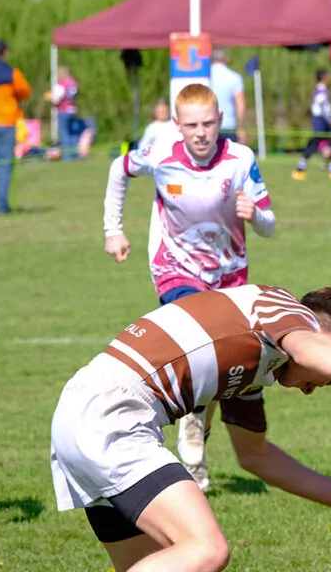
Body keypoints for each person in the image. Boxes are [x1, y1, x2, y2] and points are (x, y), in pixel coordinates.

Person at [50, 284, 331, 572]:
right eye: (327, 380)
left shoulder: (257, 356)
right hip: (114, 416)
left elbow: (255, 455)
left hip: (85, 416)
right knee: (205, 549)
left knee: (157, 562)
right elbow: (309, 345)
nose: (312, 391)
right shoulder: (284, 311)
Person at [102, 83, 277, 492]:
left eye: (209, 124)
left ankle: (196, 422)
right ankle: (186, 435)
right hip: (174, 267)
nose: (201, 133)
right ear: (177, 125)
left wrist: (256, 216)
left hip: (229, 273)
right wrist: (114, 231)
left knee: (218, 357)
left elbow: (269, 224)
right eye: (192, 125)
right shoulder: (160, 153)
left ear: (220, 121)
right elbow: (118, 169)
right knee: (201, 343)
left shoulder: (240, 159)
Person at [0, 39, 30, 215]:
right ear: (4, 53)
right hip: (5, 124)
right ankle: (3, 206)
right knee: (5, 165)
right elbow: (25, 92)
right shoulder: (12, 73)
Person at [293, 69, 331, 181]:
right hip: (321, 122)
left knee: (329, 144)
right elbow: (324, 110)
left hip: (322, 121)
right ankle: (300, 167)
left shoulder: (320, 91)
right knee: (315, 145)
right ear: (324, 77)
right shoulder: (321, 92)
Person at [210, 47, 247, 144]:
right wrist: (241, 128)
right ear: (227, 58)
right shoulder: (234, 77)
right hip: (228, 125)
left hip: (207, 125)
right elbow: (240, 105)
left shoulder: (204, 77)